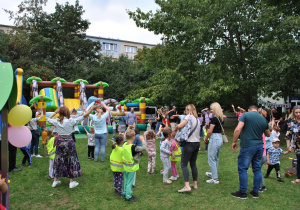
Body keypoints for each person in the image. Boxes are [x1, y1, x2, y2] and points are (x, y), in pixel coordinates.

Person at [47, 105, 95, 189]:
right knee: (71, 160)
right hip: (69, 142)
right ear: (66, 112)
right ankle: (71, 182)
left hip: (60, 142)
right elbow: (84, 116)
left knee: (58, 159)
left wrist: (55, 112)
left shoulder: (57, 121)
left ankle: (55, 180)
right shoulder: (70, 121)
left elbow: (48, 119)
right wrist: (91, 109)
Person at [231, 105, 270, 199]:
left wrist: (234, 141)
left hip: (248, 145)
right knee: (257, 169)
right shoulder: (263, 118)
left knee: (243, 168)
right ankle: (255, 192)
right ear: (257, 110)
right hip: (259, 146)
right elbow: (268, 134)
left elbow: (238, 129)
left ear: (249, 109)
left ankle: (243, 192)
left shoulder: (245, 115)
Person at [174, 104, 201, 193]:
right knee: (193, 164)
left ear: (188, 110)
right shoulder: (197, 120)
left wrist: (175, 129)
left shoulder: (189, 117)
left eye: (186, 110)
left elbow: (180, 125)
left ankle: (187, 186)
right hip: (197, 144)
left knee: (183, 164)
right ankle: (195, 184)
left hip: (189, 144)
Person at [123, 129, 146, 202]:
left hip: (125, 167)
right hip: (132, 168)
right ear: (133, 137)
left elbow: (124, 137)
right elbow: (144, 148)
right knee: (130, 182)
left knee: (126, 181)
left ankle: (126, 193)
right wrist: (143, 140)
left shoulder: (124, 144)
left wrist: (128, 129)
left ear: (126, 137)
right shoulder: (134, 147)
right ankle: (128, 197)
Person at [204, 102, 224, 184]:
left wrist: (205, 139)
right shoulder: (221, 118)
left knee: (211, 158)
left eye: (211, 108)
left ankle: (215, 179)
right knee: (215, 158)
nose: (211, 110)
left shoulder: (214, 119)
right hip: (219, 137)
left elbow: (210, 131)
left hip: (214, 138)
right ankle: (214, 173)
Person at [286, 105, 300, 184]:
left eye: (299, 112)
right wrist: (289, 146)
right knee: (299, 160)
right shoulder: (292, 123)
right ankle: (298, 178)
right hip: (298, 146)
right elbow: (288, 135)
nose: (298, 114)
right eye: (296, 112)